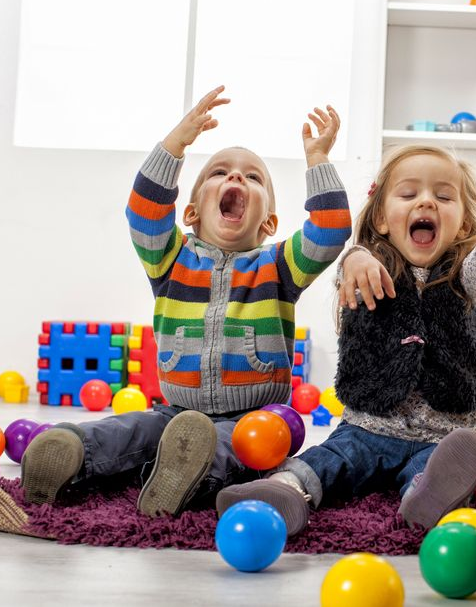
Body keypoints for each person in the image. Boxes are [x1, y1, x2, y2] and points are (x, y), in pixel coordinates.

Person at [20, 86, 351, 517]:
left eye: (253, 178)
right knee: (133, 429)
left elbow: (331, 230)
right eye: (220, 172)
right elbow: (144, 210)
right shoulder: (169, 259)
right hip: (175, 410)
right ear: (191, 212)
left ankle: (183, 476)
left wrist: (319, 160)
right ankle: (73, 452)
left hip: (256, 416)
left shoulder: (279, 266)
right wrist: (176, 144)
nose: (236, 179)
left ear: (269, 222)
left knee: (240, 447)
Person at [216, 144, 476, 535]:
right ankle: (283, 489)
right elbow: (349, 272)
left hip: (441, 436)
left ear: (465, 225)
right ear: (383, 219)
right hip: (368, 427)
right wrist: (355, 258)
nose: (427, 203)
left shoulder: (461, 279)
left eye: (443, 196)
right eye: (409, 194)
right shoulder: (370, 267)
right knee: (330, 459)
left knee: (436, 470)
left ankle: (424, 498)